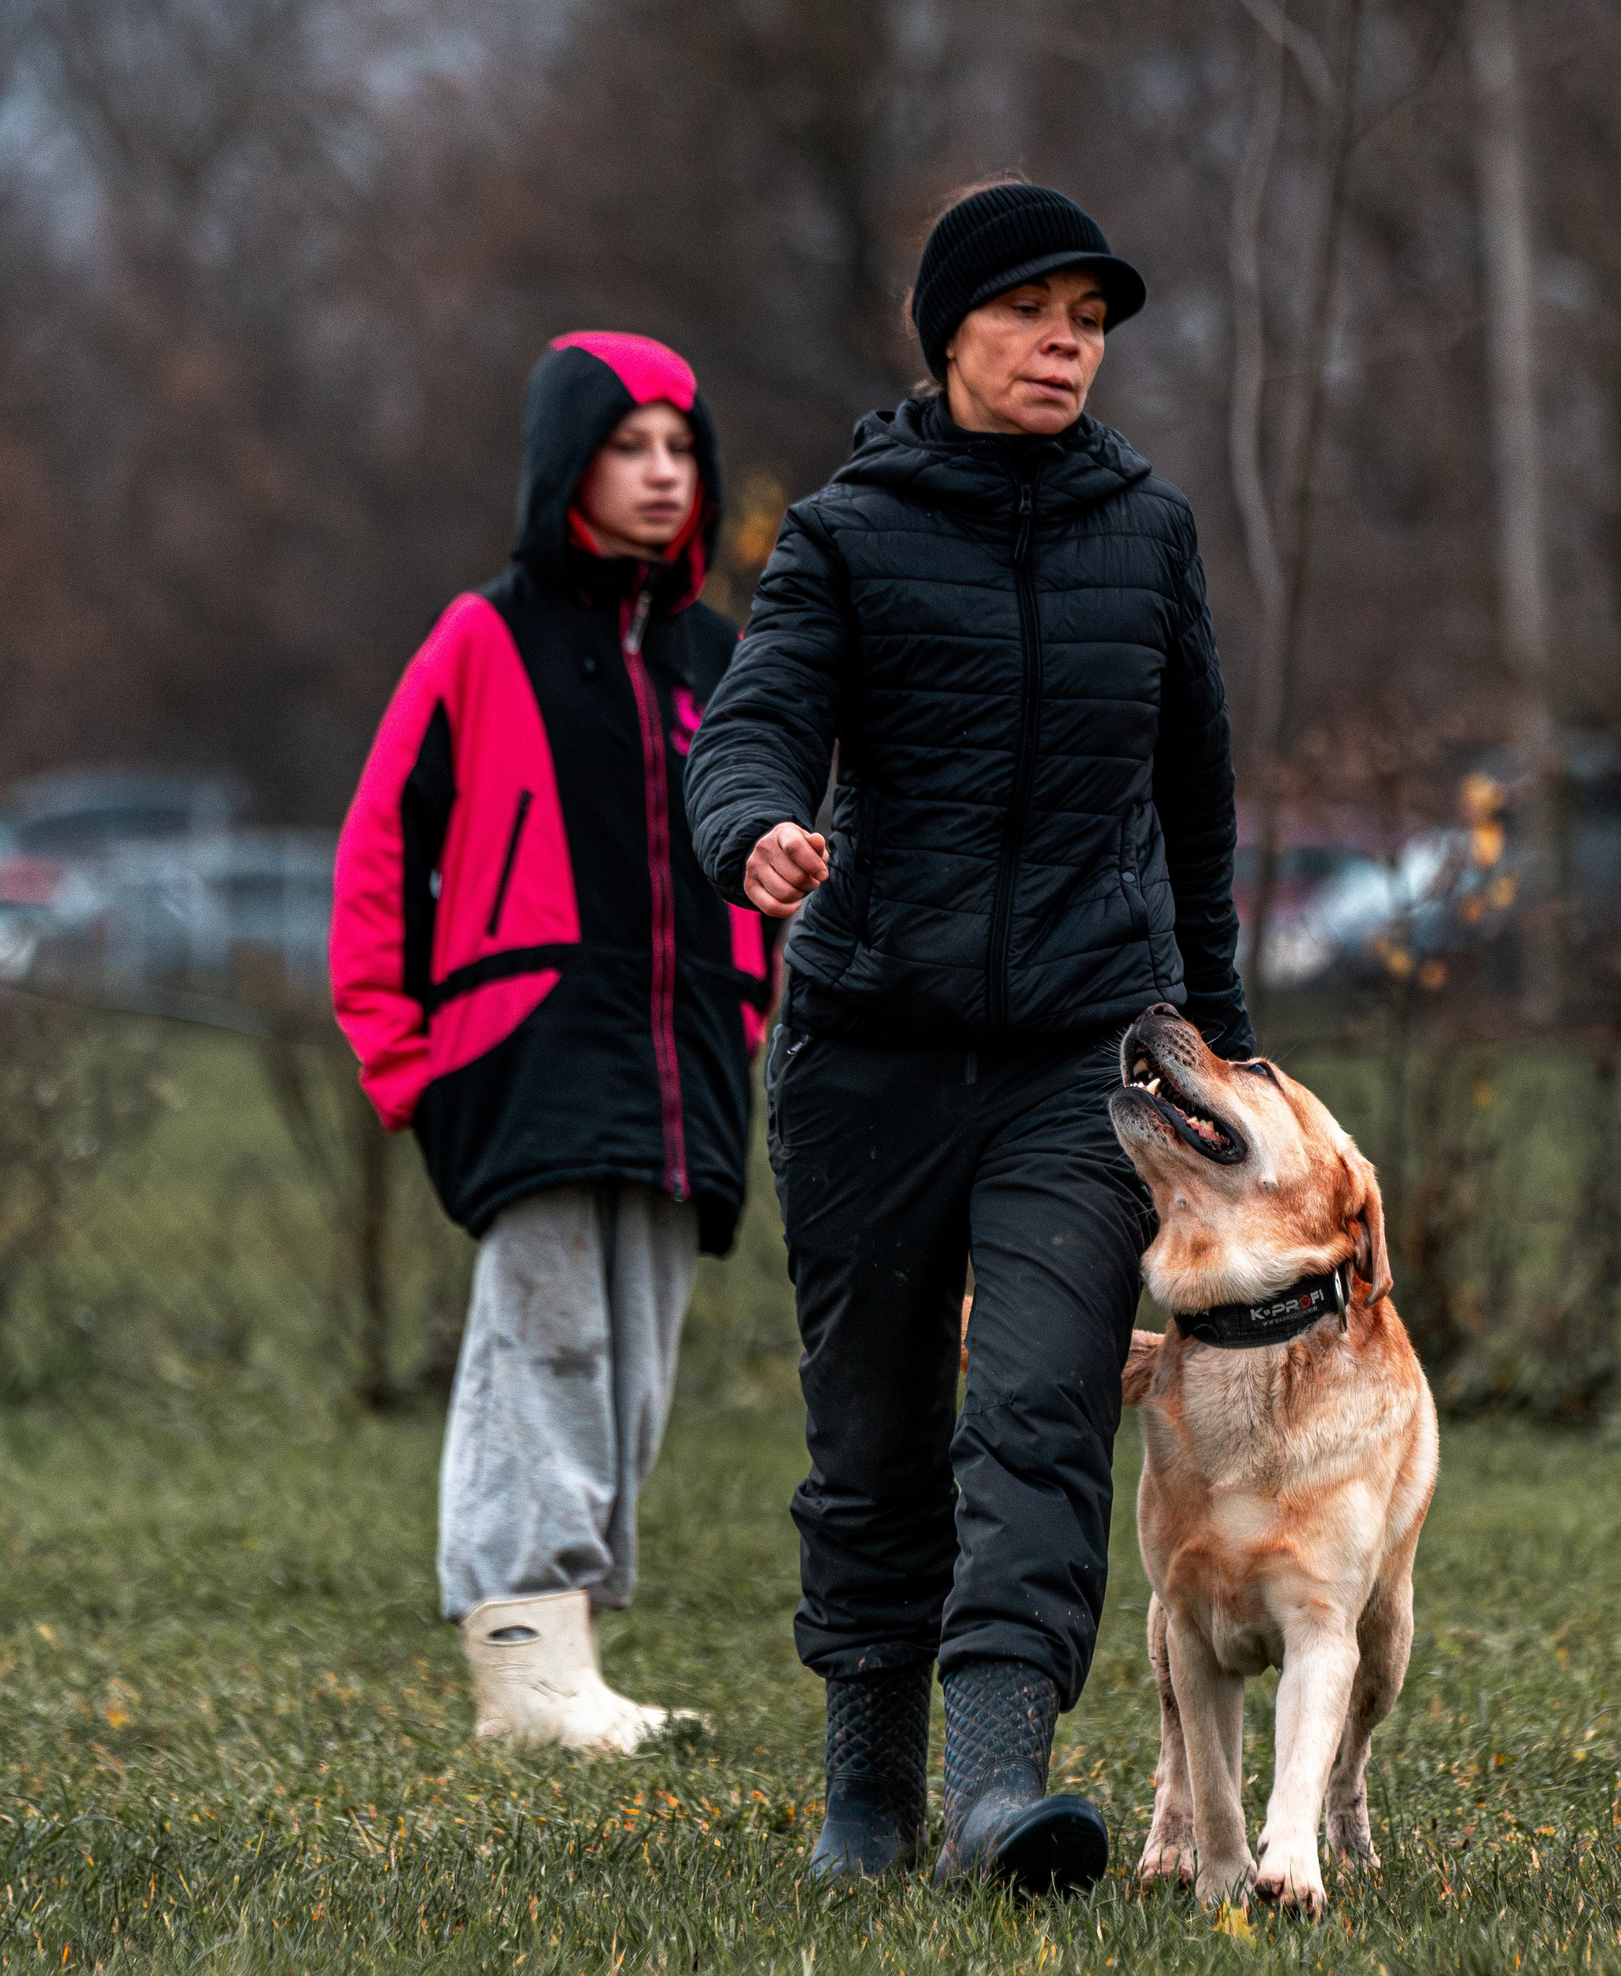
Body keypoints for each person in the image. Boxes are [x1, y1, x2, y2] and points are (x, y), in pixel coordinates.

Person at [684, 181, 1252, 1890]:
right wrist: (753, 831)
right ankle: (867, 1794)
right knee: (871, 1434)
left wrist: (1225, 1056)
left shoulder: (1149, 535)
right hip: (867, 1051)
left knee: (1039, 1409)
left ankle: (1000, 1789)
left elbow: (1198, 808)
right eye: (1027, 313)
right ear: (947, 337)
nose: (1064, 344)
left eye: (1088, 320)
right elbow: (752, 725)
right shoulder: (846, 535)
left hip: (1081, 1056)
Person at [331, 332, 772, 1753]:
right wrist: (395, 1049)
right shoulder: (484, 636)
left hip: (685, 1065)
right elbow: (381, 841)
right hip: (525, 1050)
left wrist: (748, 1008)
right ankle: (524, 1672)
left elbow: (763, 853)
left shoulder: (718, 659)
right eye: (629, 445)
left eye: (681, 448)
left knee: (632, 1363)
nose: (662, 473)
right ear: (566, 463)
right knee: (546, 1347)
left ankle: (565, 1666)